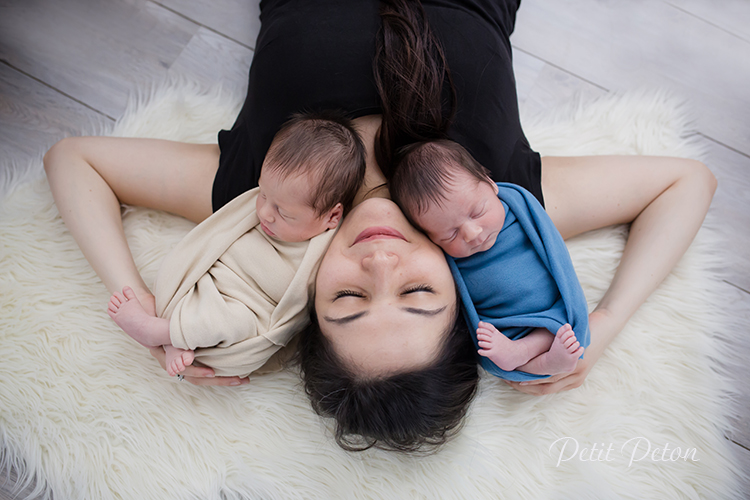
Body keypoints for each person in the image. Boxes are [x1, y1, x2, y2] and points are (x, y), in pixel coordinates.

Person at [42, 0, 716, 451]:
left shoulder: (264, 195)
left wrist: (149, 314)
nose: (381, 267)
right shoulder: (495, 208)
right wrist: (603, 328)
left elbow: (73, 161)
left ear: (309, 302)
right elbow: (686, 183)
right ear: (458, 298)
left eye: (348, 300)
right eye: (418, 296)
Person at [106, 112, 366, 377]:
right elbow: (218, 242)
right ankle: (174, 335)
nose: (265, 213)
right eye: (262, 194)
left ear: (331, 217)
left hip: (250, 311)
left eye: (284, 213)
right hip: (217, 282)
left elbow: (299, 311)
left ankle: (159, 331)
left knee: (234, 322)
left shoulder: (328, 249)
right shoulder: (270, 209)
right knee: (187, 277)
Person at [389, 139, 588, 381]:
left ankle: (540, 357)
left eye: (477, 212)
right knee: (497, 347)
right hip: (504, 324)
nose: (472, 234)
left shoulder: (518, 205)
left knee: (560, 326)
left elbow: (552, 249)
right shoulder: (444, 257)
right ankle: (536, 360)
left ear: (491, 184)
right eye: (450, 234)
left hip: (552, 306)